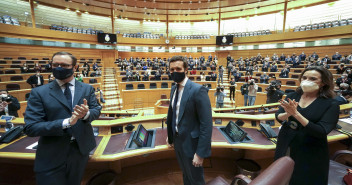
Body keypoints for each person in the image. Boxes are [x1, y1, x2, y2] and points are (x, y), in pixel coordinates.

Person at [24, 51, 101, 185]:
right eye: (55, 64)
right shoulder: (39, 93)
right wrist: (66, 123)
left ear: (75, 68)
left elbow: (96, 109)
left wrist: (86, 115)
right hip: (51, 152)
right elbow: (31, 127)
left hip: (80, 149)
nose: (59, 68)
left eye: (64, 65)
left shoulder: (87, 89)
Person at [274, 66, 339, 185]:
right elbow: (278, 116)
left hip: (310, 149)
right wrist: (287, 114)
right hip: (286, 142)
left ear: (323, 83)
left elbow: (321, 131)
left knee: (302, 179)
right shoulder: (293, 95)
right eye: (304, 77)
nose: (306, 80)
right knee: (282, 175)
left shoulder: (331, 104)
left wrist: (296, 114)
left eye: (313, 78)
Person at [166, 55, 212, 185]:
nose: (175, 72)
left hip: (192, 145)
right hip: (178, 142)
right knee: (186, 174)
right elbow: (173, 114)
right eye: (172, 69)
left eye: (178, 69)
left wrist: (200, 153)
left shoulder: (198, 90)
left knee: (196, 180)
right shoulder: (173, 88)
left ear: (186, 69)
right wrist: (170, 136)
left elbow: (206, 124)